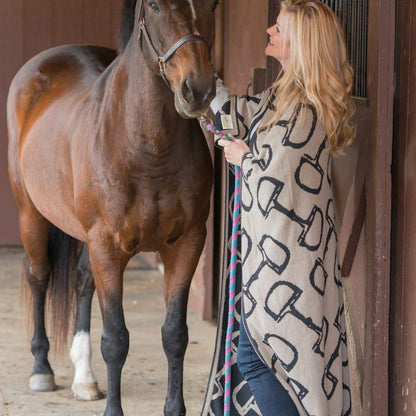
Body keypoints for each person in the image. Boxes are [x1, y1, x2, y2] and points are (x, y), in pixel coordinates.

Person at [209, 1, 355, 415]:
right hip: (273, 264)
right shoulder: (283, 96)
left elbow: (279, 181)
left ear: (302, 42)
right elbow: (241, 114)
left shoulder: (305, 111)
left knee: (265, 362)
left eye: (279, 27)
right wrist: (200, 78)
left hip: (291, 269)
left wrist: (243, 158)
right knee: (266, 361)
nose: (270, 31)